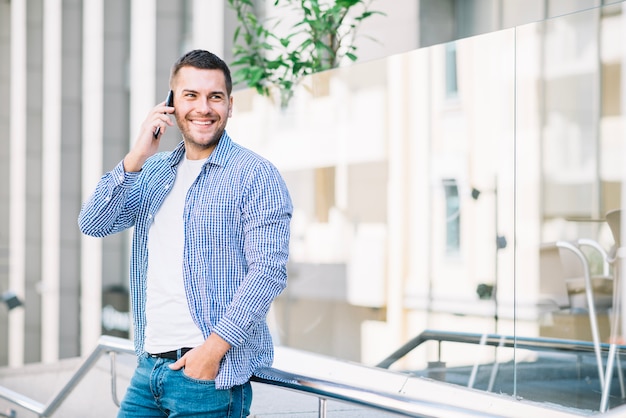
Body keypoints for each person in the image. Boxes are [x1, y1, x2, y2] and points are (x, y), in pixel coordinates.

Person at [78, 49, 292, 417]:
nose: (204, 107)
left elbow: (268, 272)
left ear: (229, 105)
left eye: (215, 97)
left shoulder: (256, 175)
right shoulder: (153, 171)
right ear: (171, 103)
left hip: (208, 376)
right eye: (191, 95)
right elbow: (94, 223)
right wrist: (136, 157)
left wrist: (212, 352)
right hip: (148, 368)